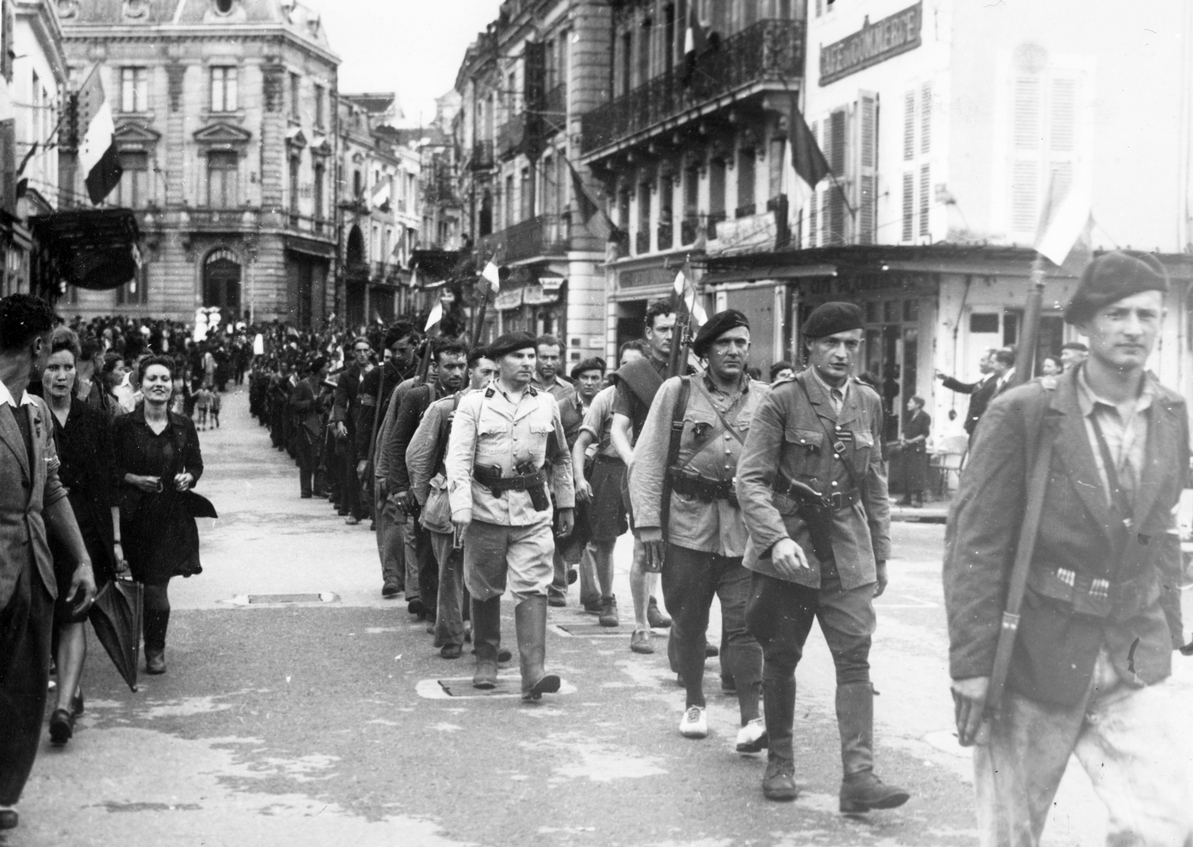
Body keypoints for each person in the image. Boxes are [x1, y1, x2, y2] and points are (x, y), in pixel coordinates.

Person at [944, 251, 1193, 846]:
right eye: (1118, 314)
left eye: (1148, 315)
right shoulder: (1026, 413)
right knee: (1013, 832)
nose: (1135, 328)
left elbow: (1160, 531)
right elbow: (976, 546)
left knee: (1167, 822)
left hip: (1132, 647)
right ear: (1085, 324)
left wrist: (1173, 631)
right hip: (1034, 651)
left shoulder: (1171, 413)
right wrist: (972, 666)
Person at [736, 302, 909, 811]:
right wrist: (774, 539)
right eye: (831, 343)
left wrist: (880, 555)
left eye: (851, 343)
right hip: (790, 550)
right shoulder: (782, 401)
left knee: (855, 658)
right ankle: (781, 763)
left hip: (847, 550)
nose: (841, 353)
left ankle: (859, 777)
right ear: (809, 346)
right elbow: (751, 479)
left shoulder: (869, 402)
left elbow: (874, 483)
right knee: (783, 655)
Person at [628, 310, 767, 750]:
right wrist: (649, 524)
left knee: (746, 625)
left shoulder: (765, 398)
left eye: (741, 343)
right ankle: (694, 702)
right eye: (723, 343)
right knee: (689, 621)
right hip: (688, 527)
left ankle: (751, 717)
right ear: (705, 351)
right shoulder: (678, 392)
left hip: (744, 532)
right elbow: (648, 459)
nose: (733, 351)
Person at [0, 295, 96, 832]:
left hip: (33, 573)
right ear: (37, 348)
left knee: (25, 689)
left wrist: (80, 558)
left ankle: (3, 793)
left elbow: (52, 489)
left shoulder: (34, 413)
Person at [445, 332, 575, 700]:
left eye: (532, 356)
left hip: (533, 511)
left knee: (534, 584)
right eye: (519, 356)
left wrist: (565, 503)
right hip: (485, 510)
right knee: (484, 585)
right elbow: (457, 459)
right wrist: (461, 507)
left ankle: (533, 671)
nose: (529, 363)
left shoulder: (547, 403)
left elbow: (560, 456)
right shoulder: (474, 405)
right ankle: (486, 657)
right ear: (499, 362)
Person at [40, 328, 123, 746]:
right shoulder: (30, 417)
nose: (61, 375)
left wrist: (116, 544)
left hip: (84, 532)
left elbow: (108, 484)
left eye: (68, 367)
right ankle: (67, 688)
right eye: (53, 367)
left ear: (79, 370)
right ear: (42, 369)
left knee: (73, 614)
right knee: (49, 618)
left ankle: (63, 705)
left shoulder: (93, 419)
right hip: (41, 531)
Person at [407, 346, 504, 659]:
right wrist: (427, 497)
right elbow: (417, 455)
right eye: (485, 372)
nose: (491, 379)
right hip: (448, 502)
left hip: (487, 503)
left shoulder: (504, 409)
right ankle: (450, 636)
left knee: (484, 574)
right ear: (470, 373)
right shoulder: (445, 408)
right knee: (450, 573)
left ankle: (482, 638)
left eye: (496, 373)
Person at [113, 356, 207, 675]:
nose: (159, 384)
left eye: (165, 379)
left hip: (171, 517)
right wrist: (134, 480)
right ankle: (143, 640)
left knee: (156, 586)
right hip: (133, 520)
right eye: (152, 378)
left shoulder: (183, 425)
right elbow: (110, 469)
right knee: (141, 585)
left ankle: (155, 651)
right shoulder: (124, 426)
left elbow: (196, 464)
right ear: (141, 386)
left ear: (172, 386)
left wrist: (189, 478)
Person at [382, 338, 467, 618]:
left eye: (462, 366)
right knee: (427, 552)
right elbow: (397, 444)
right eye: (449, 366)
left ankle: (457, 611)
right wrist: (400, 488)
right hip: (425, 488)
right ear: (435, 366)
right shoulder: (418, 396)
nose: (456, 373)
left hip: (460, 487)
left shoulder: (473, 397)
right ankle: (433, 610)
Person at [611, 300, 677, 654]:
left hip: (684, 476)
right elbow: (619, 429)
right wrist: (634, 462)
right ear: (649, 333)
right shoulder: (634, 374)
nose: (671, 336)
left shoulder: (693, 371)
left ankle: (687, 628)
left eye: (676, 329)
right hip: (646, 475)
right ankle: (640, 625)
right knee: (642, 552)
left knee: (686, 555)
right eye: (663, 329)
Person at [572, 342, 646, 622]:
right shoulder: (606, 397)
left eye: (637, 364)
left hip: (642, 473)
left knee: (648, 538)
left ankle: (649, 603)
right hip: (608, 471)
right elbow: (581, 444)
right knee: (605, 541)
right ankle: (607, 601)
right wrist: (580, 479)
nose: (631, 370)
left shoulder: (655, 395)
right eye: (625, 363)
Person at [547, 355, 603, 607]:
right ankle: (557, 588)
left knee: (592, 533)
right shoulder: (561, 407)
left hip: (595, 478)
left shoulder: (607, 406)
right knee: (560, 530)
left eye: (595, 378)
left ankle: (592, 596)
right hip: (562, 478)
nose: (590, 383)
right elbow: (552, 447)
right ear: (576, 382)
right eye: (585, 378)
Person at [331, 337, 372, 524]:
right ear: (353, 353)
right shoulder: (347, 376)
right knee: (352, 470)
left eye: (365, 350)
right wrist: (340, 422)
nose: (362, 354)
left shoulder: (377, 372)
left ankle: (374, 514)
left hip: (372, 425)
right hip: (354, 427)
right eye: (358, 351)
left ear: (370, 352)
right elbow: (340, 401)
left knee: (374, 469)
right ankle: (355, 512)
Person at [289, 357, 330, 499]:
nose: (328, 369)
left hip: (321, 425)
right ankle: (306, 490)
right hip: (306, 426)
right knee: (305, 459)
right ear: (319, 369)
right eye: (326, 366)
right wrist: (312, 403)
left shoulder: (325, 384)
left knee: (321, 458)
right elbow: (293, 404)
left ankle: (319, 489)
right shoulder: (303, 384)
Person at [937, 347, 998, 439]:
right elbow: (967, 388)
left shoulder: (994, 382)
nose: (979, 363)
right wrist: (947, 379)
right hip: (975, 429)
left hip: (981, 429)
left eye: (982, 360)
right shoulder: (985, 380)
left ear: (991, 363)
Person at [897, 396, 931, 507]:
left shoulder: (925, 417)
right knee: (906, 472)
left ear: (918, 405)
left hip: (917, 449)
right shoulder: (909, 416)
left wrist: (912, 441)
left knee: (917, 474)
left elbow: (925, 434)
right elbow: (903, 429)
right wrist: (902, 439)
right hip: (907, 447)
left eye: (910, 402)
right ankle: (907, 498)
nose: (908, 404)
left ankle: (919, 500)